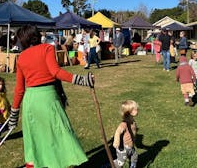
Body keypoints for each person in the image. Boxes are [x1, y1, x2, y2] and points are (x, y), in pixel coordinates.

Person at [8, 25, 95, 168]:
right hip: (47, 99)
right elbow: (56, 72)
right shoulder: (47, 48)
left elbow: (19, 89)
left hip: (31, 101)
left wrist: (14, 113)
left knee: (37, 137)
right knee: (60, 134)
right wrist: (82, 80)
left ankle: (37, 164)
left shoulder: (22, 57)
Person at [113, 100, 139, 168]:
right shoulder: (124, 124)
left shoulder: (132, 121)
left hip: (130, 146)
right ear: (129, 112)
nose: (137, 110)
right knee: (120, 163)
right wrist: (116, 141)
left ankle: (133, 166)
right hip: (123, 148)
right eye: (135, 109)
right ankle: (110, 164)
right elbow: (118, 132)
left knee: (134, 156)